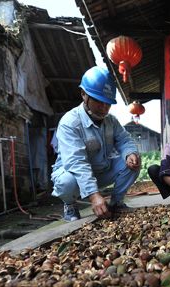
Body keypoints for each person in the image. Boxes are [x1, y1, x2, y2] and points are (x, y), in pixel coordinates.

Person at [51, 66, 141, 221]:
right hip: (74, 176)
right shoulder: (69, 123)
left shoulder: (111, 121)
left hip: (101, 171)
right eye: (99, 102)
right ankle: (70, 205)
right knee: (67, 183)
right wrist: (93, 196)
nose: (104, 108)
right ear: (84, 95)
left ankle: (116, 203)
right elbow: (77, 162)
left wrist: (130, 153)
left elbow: (124, 140)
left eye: (107, 103)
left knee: (133, 162)